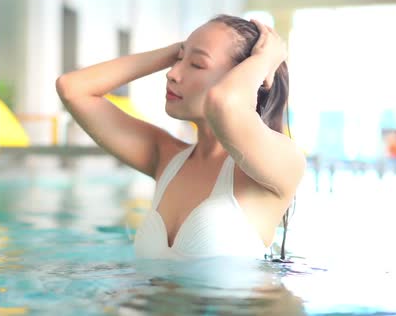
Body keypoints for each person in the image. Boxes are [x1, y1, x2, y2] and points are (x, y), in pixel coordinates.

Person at [56, 14, 306, 260]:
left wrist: (266, 60)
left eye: (196, 64)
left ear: (247, 78)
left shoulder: (281, 164)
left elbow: (223, 104)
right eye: (178, 60)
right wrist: (177, 50)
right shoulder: (166, 157)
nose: (172, 73)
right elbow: (72, 88)